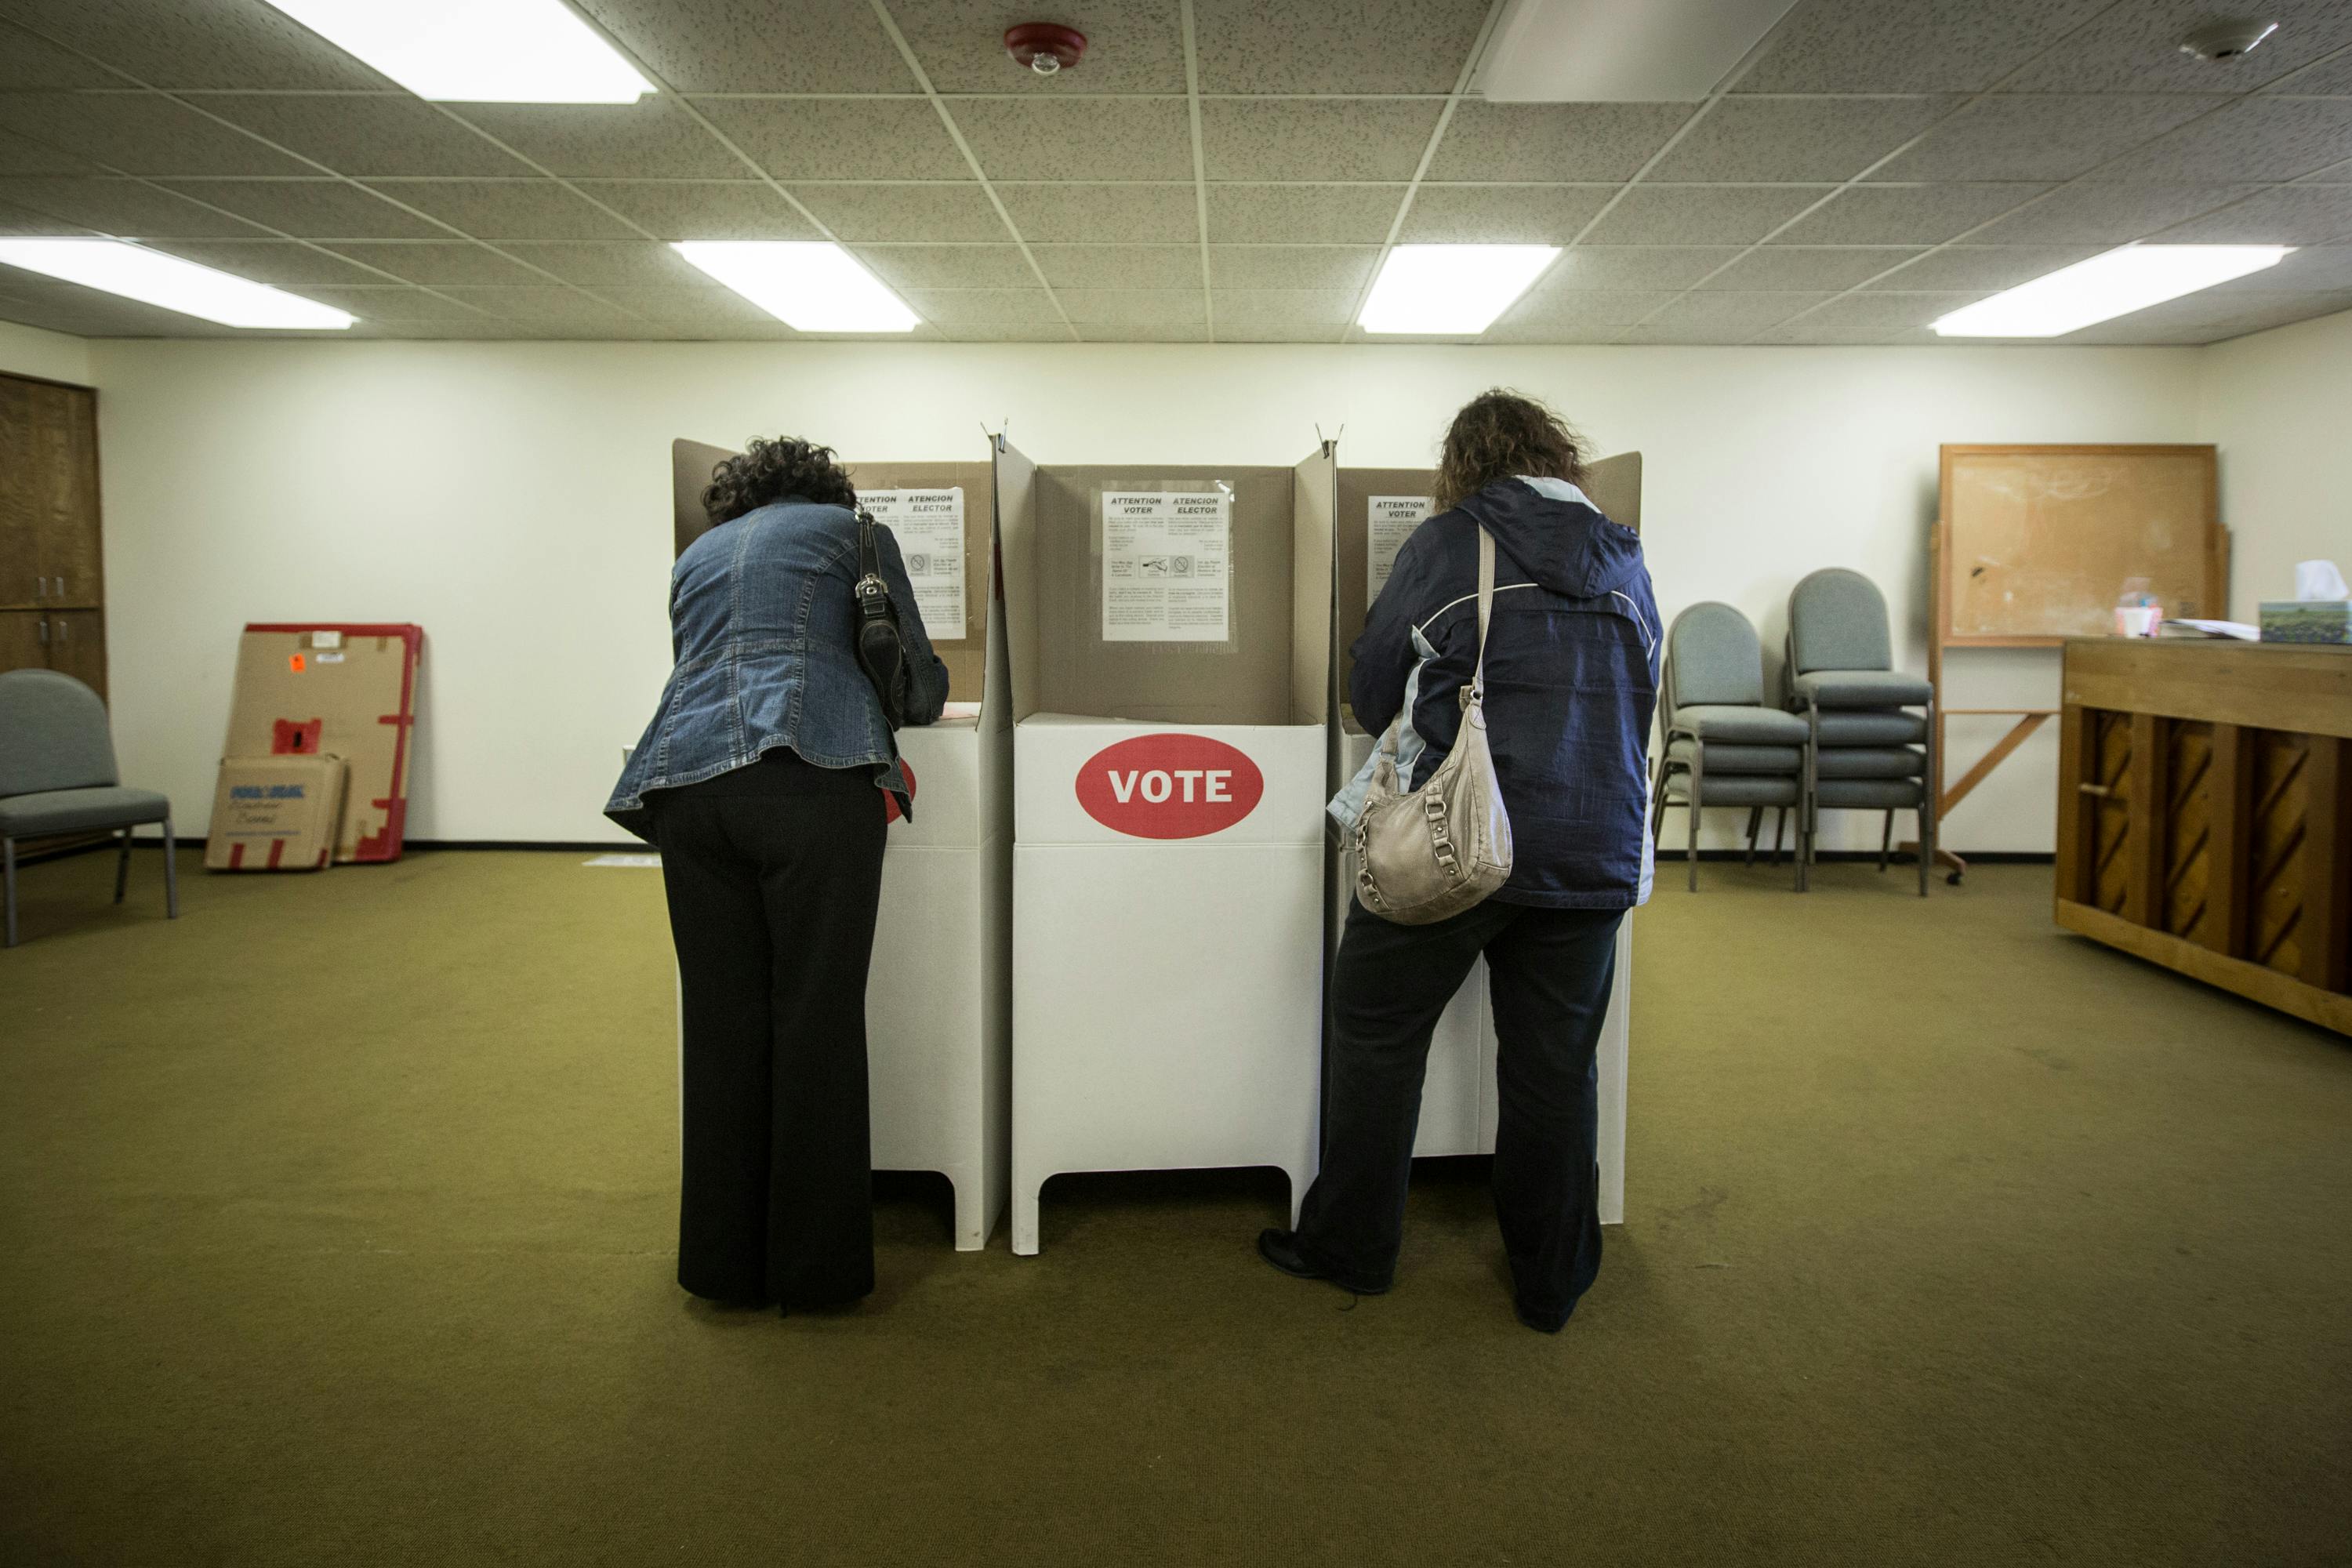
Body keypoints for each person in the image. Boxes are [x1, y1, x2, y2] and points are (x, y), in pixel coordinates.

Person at [1260, 389, 1659, 1332]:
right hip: (1592, 844)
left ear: (1466, 464)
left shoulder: (1451, 542)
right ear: (1559, 457)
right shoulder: (1627, 555)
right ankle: (1552, 1279)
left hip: (1458, 835)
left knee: (1375, 1031)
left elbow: (1366, 690)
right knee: (1556, 1066)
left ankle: (1353, 1244)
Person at [606, 437, 947, 1314]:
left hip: (687, 788)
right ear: (825, 485)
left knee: (723, 1024)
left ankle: (723, 1266)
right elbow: (917, 686)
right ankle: (814, 1272)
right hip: (811, 778)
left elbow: (696, 667)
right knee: (816, 1019)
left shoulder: (698, 556)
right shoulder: (853, 532)